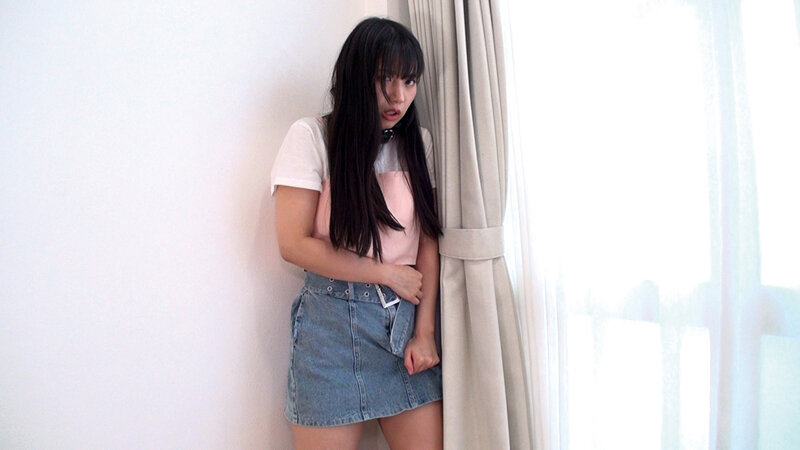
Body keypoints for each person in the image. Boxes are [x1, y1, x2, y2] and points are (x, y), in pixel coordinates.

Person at [271, 17, 444, 450]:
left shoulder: (418, 143)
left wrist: (425, 332)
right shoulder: (312, 137)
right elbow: (293, 244)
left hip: (400, 329)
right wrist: (385, 273)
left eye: (409, 80)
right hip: (328, 333)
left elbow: (428, 241)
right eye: (385, 79)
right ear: (356, 75)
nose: (398, 96)